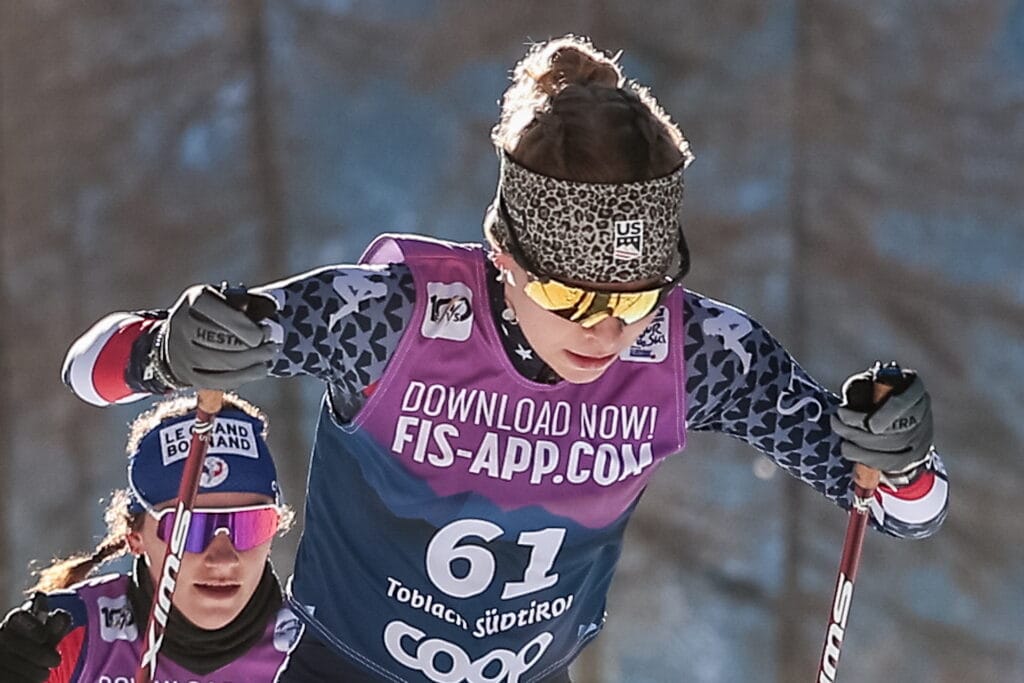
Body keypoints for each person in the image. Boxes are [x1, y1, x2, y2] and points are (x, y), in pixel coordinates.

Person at [59, 35, 948, 683]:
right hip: (349, 666)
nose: (603, 331)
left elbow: (906, 512)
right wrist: (170, 348)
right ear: (506, 260)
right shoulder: (392, 316)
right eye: (569, 295)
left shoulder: (699, 353)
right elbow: (90, 366)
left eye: (634, 299)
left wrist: (897, 460)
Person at [0, 394, 302, 682]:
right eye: (189, 529)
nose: (222, 558)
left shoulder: (316, 645)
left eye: (250, 524)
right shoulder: (65, 637)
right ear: (135, 537)